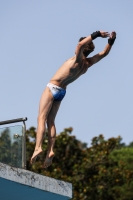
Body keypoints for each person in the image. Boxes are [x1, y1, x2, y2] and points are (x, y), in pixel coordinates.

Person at [30, 30, 116, 168]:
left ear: (81, 47)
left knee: (41, 118)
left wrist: (97, 34)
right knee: (51, 121)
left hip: (52, 87)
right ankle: (50, 150)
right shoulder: (87, 64)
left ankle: (38, 147)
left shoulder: (77, 59)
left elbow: (81, 44)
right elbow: (104, 53)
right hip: (62, 92)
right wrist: (111, 41)